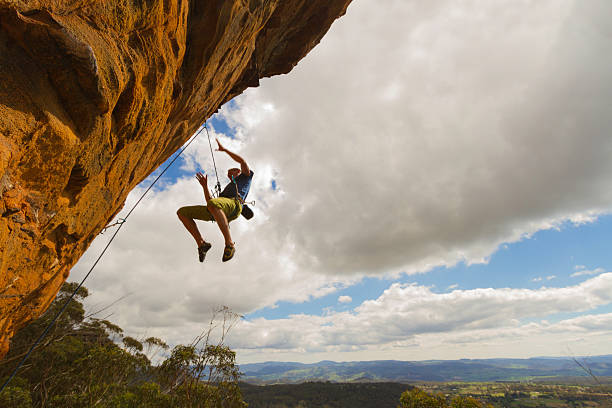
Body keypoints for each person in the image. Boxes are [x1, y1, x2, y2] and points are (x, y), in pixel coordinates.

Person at [177, 138, 254, 262]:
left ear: (238, 171)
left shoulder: (246, 177)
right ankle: (202, 244)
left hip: (235, 204)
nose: (229, 174)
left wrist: (225, 150)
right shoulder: (225, 192)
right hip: (221, 208)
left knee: (214, 204)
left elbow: (242, 161)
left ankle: (230, 244)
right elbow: (209, 203)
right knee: (182, 212)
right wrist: (204, 187)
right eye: (228, 173)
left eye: (232, 172)